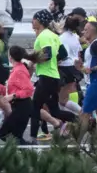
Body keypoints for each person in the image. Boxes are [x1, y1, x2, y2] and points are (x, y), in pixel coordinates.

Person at [28, 10, 74, 141]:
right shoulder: (53, 35)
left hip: (46, 76)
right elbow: (63, 54)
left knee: (35, 107)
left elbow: (47, 54)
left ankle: (32, 138)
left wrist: (32, 60)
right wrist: (53, 60)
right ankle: (79, 120)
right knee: (54, 111)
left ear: (39, 21)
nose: (32, 21)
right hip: (53, 76)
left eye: (34, 18)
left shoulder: (43, 36)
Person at [0, 45, 35, 143]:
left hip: (22, 106)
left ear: (10, 57)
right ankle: (27, 152)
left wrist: (13, 96)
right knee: (16, 137)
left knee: (4, 134)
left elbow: (29, 90)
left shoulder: (19, 71)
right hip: (18, 106)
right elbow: (12, 88)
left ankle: (29, 151)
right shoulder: (17, 69)